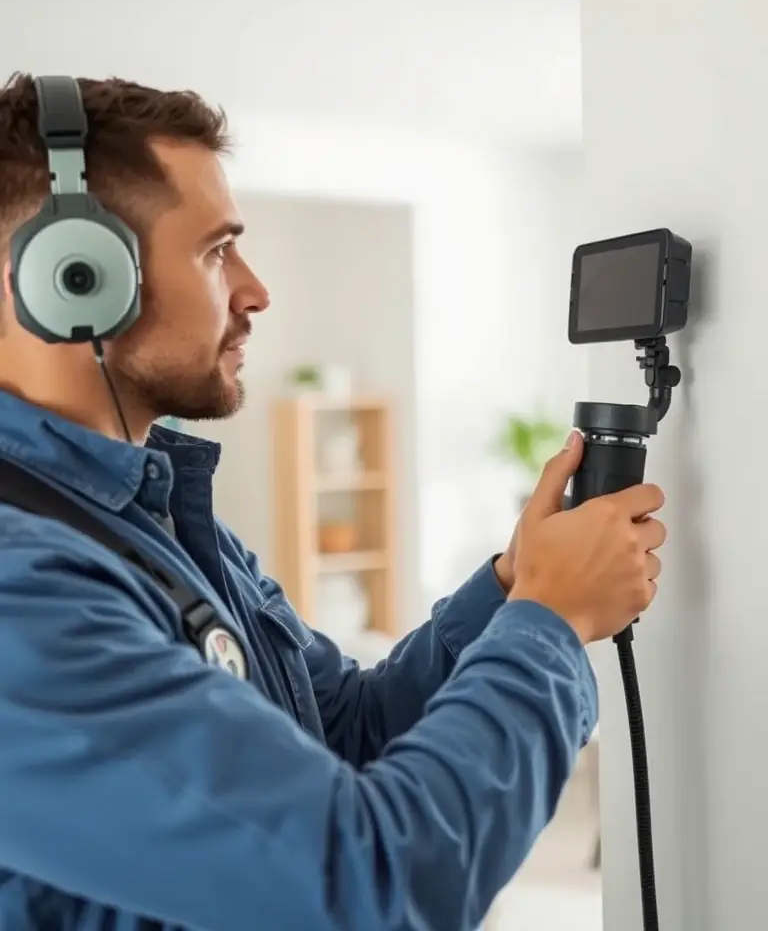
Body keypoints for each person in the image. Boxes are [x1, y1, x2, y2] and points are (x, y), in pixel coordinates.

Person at [0, 72, 666, 931]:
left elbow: (343, 729)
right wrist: (550, 619)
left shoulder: (159, 515)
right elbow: (369, 891)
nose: (255, 290)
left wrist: (512, 583)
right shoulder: (24, 593)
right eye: (215, 251)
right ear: (75, 280)